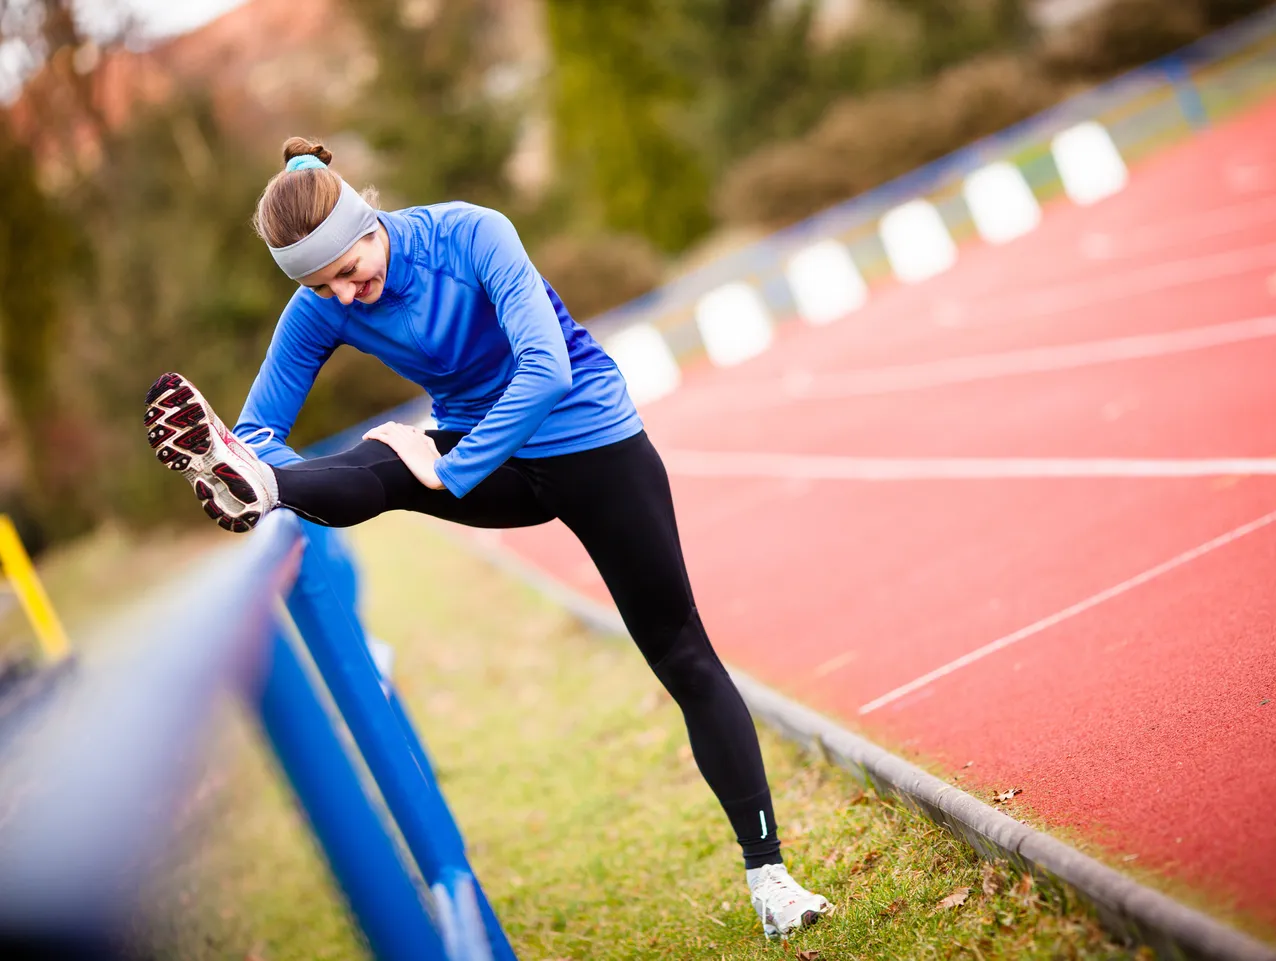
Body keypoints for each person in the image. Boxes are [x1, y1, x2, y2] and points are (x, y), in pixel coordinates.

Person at [142, 137, 831, 939]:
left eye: (348, 269)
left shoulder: (471, 234)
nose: (347, 295)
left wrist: (447, 467)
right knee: (375, 462)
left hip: (590, 443)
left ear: (368, 220)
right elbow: (259, 427)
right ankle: (263, 494)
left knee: (682, 655)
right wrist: (271, 465)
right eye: (323, 286)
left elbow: (546, 368)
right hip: (485, 460)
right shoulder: (322, 307)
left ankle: (770, 876)